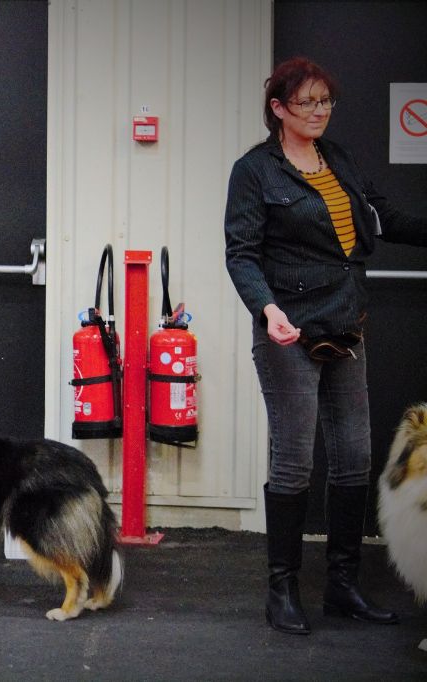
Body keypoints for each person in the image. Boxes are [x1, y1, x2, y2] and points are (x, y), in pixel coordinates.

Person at [224, 56, 427, 635]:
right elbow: (240, 252)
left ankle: (342, 586)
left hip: (346, 322)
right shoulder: (255, 171)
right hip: (287, 328)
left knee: (355, 456)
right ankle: (281, 590)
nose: (319, 112)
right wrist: (267, 310)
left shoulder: (338, 159)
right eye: (307, 102)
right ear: (278, 109)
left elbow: (384, 218)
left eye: (326, 102)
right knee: (293, 460)